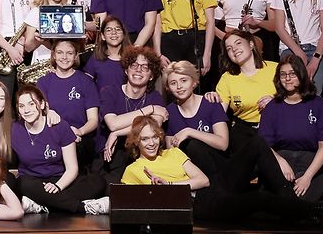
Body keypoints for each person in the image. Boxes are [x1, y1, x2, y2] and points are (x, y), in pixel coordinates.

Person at [85, 116, 323, 223]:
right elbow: (130, 205)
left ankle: (307, 208)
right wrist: (163, 194)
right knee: (260, 202)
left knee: (256, 143)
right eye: (145, 139)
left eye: (154, 136)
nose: (152, 143)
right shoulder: (134, 169)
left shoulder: (173, 152)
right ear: (136, 142)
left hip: (210, 190)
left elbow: (202, 180)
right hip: (198, 208)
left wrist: (171, 186)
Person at [10, 85, 107, 212]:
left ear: (42, 104)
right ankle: (82, 208)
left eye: (31, 104)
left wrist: (57, 186)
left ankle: (43, 205)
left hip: (60, 180)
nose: (26, 110)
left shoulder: (60, 126)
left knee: (97, 182)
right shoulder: (14, 129)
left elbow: (72, 168)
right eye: (21, 106)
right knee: (23, 184)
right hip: (33, 182)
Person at [258, 54, 323, 202]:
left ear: (301, 75)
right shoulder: (272, 107)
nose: (287, 78)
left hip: (311, 165)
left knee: (300, 204)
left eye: (292, 74)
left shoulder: (319, 105)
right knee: (275, 203)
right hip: (281, 162)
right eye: (283, 74)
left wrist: (307, 177)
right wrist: (280, 162)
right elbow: (264, 144)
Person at [98, 46, 167, 181]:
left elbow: (154, 127)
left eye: (145, 67)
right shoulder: (110, 92)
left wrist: (117, 133)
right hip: (112, 153)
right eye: (134, 65)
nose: (138, 69)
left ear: (151, 76)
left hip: (143, 153)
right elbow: (113, 124)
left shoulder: (155, 97)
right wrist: (149, 109)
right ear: (126, 70)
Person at [35, 39, 100, 170]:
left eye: (69, 53)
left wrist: (79, 131)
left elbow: (93, 120)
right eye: (60, 52)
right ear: (54, 55)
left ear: (75, 56)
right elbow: (40, 114)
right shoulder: (43, 82)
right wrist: (48, 112)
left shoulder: (86, 81)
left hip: (79, 139)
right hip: (52, 138)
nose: (64, 57)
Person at [210, 29, 279, 149]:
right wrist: (210, 100)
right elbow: (219, 114)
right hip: (245, 133)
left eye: (238, 43)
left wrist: (277, 101)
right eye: (229, 48)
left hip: (276, 129)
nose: (234, 49)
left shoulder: (275, 69)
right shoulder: (227, 78)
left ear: (251, 44)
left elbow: (297, 98)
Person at [163, 61, 229, 178]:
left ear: (194, 82)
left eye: (184, 80)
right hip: (189, 172)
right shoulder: (170, 112)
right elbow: (171, 152)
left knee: (194, 145)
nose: (179, 87)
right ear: (168, 88)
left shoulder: (211, 103)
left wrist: (189, 132)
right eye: (173, 83)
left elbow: (223, 144)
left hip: (218, 169)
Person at [83, 17, 127, 92]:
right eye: (109, 30)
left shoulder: (131, 58)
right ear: (103, 36)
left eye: (118, 29)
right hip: (101, 98)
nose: (114, 32)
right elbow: (86, 82)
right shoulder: (96, 57)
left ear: (123, 34)